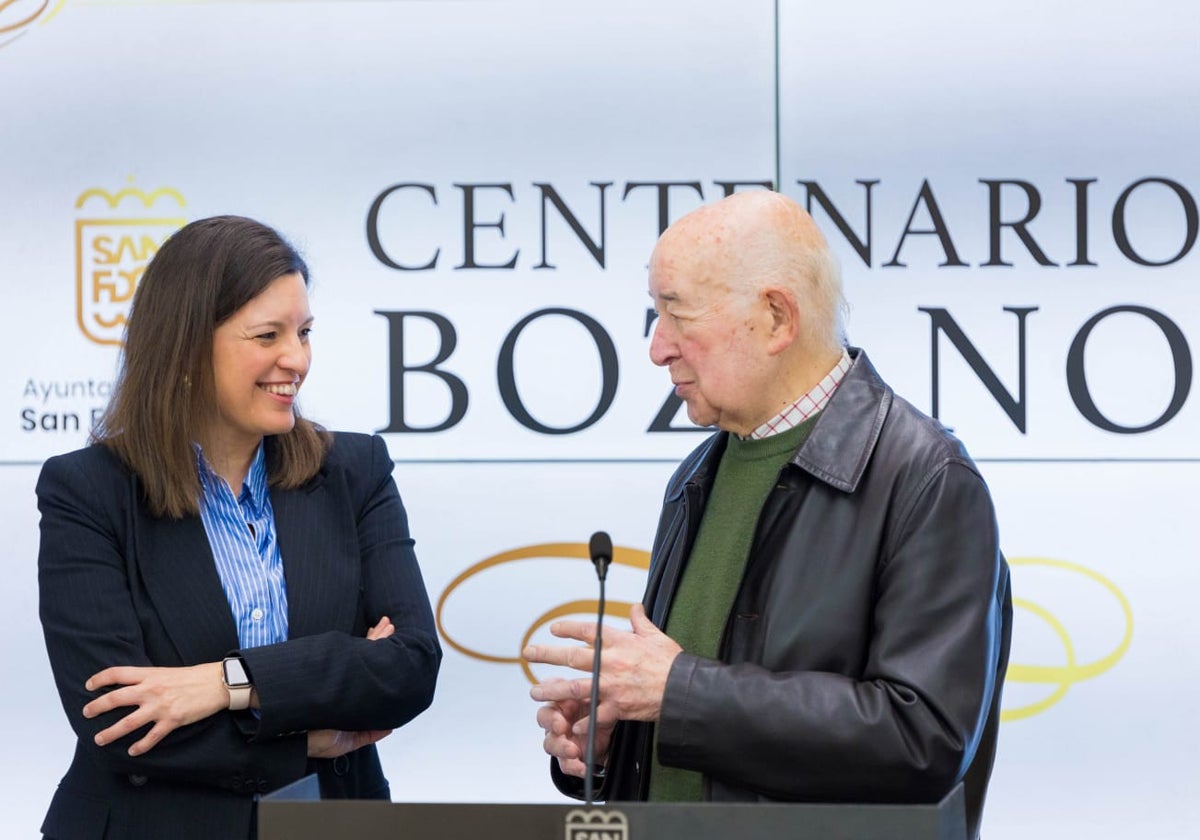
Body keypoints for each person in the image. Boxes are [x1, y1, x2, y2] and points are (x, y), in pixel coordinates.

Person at [524, 191, 1012, 839]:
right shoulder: (699, 475)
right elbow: (701, 734)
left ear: (777, 318)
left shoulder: (925, 477)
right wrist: (614, 747)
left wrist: (676, 692)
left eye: (676, 313)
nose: (657, 348)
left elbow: (922, 739)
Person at [36, 216, 442, 839]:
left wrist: (225, 683)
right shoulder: (88, 491)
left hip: (329, 823)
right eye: (268, 335)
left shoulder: (355, 471)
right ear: (188, 346)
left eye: (304, 332)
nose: (297, 358)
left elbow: (409, 666)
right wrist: (310, 730)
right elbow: (119, 724)